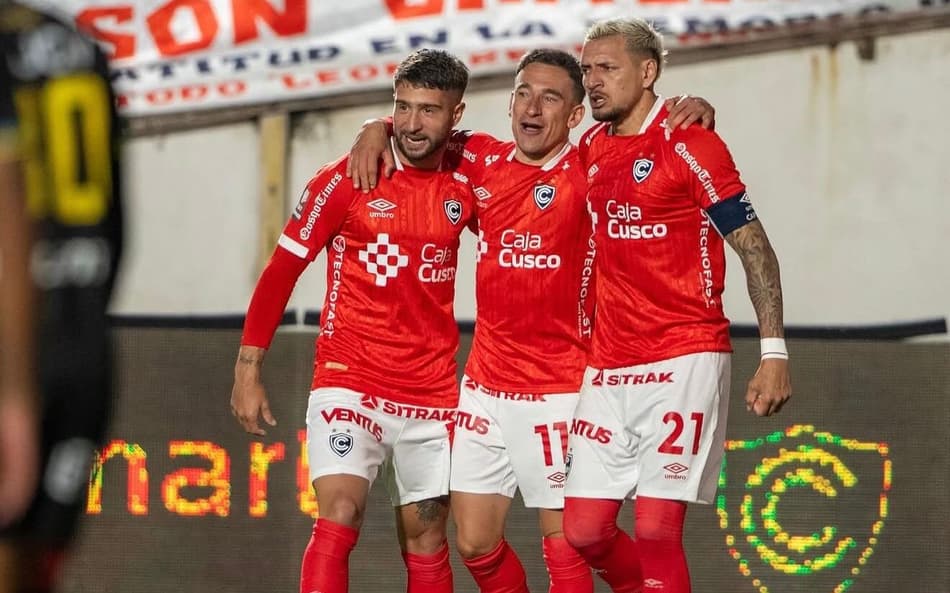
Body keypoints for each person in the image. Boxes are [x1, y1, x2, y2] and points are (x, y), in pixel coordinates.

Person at [345, 50, 715, 593]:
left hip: (559, 388)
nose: (532, 107)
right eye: (523, 93)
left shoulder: (590, 168)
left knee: (563, 545)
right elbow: (420, 123)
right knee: (474, 543)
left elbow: (646, 137)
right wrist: (373, 126)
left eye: (550, 98)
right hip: (486, 389)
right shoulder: (478, 161)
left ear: (574, 117)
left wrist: (686, 108)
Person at [229, 48, 476, 593]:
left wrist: (377, 124)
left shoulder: (468, 177)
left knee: (428, 539)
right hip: (351, 380)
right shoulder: (347, 177)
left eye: (429, 110)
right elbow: (281, 271)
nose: (412, 124)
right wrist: (248, 368)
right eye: (402, 108)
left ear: (456, 115)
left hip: (432, 393)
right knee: (339, 511)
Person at [560, 18, 792, 593]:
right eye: (587, 69)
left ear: (648, 72)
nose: (593, 82)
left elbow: (754, 245)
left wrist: (774, 351)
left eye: (607, 69)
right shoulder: (591, 148)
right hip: (609, 365)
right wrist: (381, 126)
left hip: (684, 357)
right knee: (584, 531)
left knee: (659, 531)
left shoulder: (692, 142)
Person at [0, 2, 124, 591]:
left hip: (12, 357)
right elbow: (117, 229)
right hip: (81, 346)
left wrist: (14, 387)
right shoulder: (80, 49)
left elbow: (8, 195)